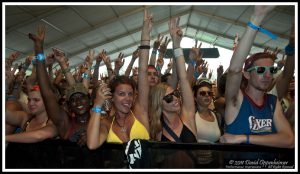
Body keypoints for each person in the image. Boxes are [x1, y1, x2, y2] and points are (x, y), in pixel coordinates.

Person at [220, 5, 294, 148]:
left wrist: (243, 138)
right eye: (260, 69)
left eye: (271, 70)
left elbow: (290, 140)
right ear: (247, 74)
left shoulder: (272, 102)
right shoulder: (236, 100)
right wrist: (256, 19)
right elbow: (235, 69)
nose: (267, 74)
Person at [86, 9, 151, 149]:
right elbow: (92, 144)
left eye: (130, 94)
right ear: (112, 97)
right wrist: (97, 105)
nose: (128, 98)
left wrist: (145, 35)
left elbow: (143, 71)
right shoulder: (106, 123)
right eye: (121, 94)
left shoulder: (140, 112)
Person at [148, 17, 197, 143]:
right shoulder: (157, 130)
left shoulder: (187, 116)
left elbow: (183, 78)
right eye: (169, 98)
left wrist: (176, 44)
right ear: (159, 104)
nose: (175, 98)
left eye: (175, 94)